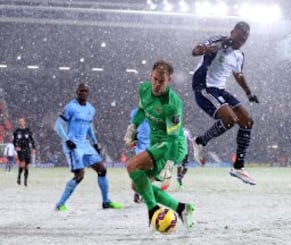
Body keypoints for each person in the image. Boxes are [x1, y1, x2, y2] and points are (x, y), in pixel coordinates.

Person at [124, 60, 194, 229]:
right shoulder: (144, 89)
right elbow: (142, 110)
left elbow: (171, 139)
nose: (156, 84)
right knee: (138, 185)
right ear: (151, 76)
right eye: (154, 79)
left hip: (173, 146)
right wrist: (132, 127)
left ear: (168, 80)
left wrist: (169, 166)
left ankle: (153, 210)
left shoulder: (172, 103)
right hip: (157, 142)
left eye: (161, 81)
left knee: (131, 165)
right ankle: (181, 208)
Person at [191, 21, 258, 185]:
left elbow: (238, 74)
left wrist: (249, 93)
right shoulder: (217, 40)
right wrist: (211, 48)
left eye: (244, 39)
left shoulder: (239, 55)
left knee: (247, 120)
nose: (240, 42)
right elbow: (195, 51)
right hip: (203, 88)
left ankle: (238, 167)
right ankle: (200, 141)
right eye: (239, 37)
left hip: (220, 90)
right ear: (232, 32)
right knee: (230, 119)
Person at [54, 83, 123, 211]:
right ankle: (60, 204)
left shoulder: (91, 109)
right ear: (77, 92)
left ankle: (106, 201)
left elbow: (89, 128)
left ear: (88, 93)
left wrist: (95, 143)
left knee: (102, 169)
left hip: (85, 144)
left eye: (85, 91)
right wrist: (67, 140)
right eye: (81, 91)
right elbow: (57, 125)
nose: (83, 93)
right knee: (79, 176)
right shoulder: (70, 107)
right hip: (73, 145)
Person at [130, 107, 151, 204]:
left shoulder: (158, 110)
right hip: (141, 145)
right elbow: (132, 126)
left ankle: (140, 192)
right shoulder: (135, 112)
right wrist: (132, 139)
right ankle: (139, 192)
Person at [13, 118, 36, 186]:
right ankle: (19, 177)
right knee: (22, 164)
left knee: (26, 166)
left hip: (27, 149)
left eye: (22, 121)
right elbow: (14, 140)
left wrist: (33, 148)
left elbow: (32, 139)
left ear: (24, 122)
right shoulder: (17, 131)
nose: (21, 122)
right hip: (20, 150)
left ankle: (25, 181)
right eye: (20, 121)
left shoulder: (28, 130)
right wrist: (16, 146)